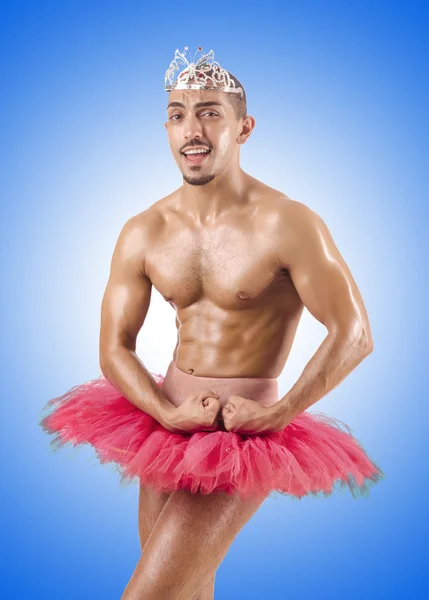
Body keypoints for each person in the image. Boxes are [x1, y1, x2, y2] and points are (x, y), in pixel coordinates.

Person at [40, 46, 383, 600]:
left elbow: (355, 334)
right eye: (177, 114)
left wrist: (276, 415)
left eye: (209, 112)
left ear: (243, 127)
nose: (191, 129)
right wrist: (165, 412)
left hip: (238, 431)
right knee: (189, 591)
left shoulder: (289, 223)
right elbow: (113, 350)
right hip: (164, 421)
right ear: (166, 127)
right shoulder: (143, 230)